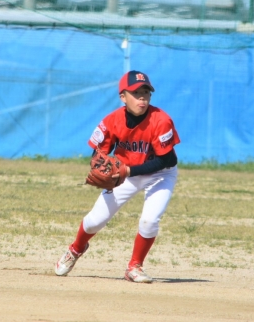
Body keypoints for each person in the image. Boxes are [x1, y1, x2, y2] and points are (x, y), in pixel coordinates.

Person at [54, 70, 180, 283]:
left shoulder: (161, 120)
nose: (142, 98)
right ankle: (75, 249)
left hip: (160, 174)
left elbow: (168, 160)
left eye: (146, 92)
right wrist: (101, 167)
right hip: (126, 174)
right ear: (123, 96)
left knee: (149, 221)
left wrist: (128, 171)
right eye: (136, 93)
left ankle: (134, 266)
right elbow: (99, 153)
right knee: (95, 221)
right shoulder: (112, 121)